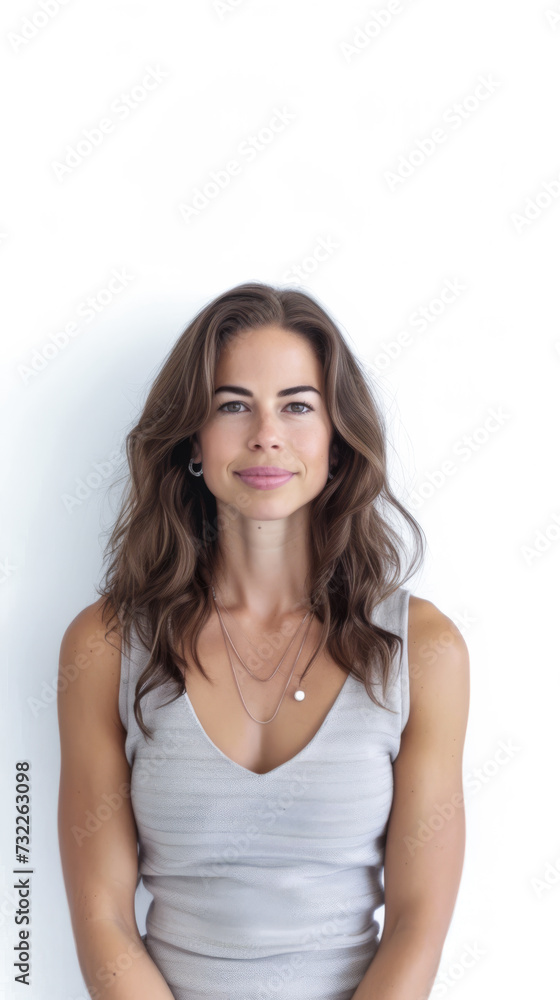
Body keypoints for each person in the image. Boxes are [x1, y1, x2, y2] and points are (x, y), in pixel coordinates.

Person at [57, 282, 470, 1000]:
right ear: (193, 436)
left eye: (297, 405)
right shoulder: (106, 643)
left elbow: (417, 925)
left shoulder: (422, 650)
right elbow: (102, 920)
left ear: (337, 439)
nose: (266, 434)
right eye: (233, 405)